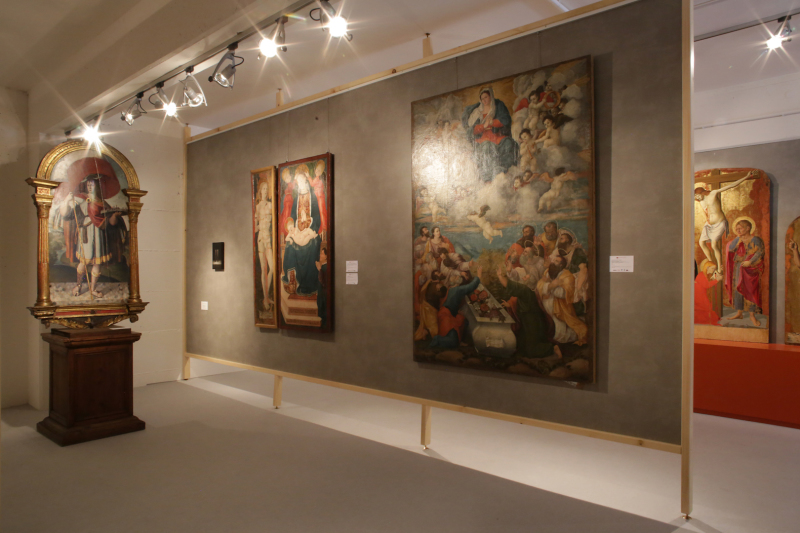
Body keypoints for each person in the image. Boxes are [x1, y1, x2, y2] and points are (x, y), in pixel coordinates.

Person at [60, 176, 125, 298]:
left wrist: (115, 215)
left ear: (97, 187)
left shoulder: (103, 204)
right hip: (86, 236)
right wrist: (66, 201)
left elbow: (112, 223)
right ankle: (78, 286)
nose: (90, 187)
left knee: (97, 264)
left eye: (92, 184)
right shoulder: (82, 203)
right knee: (84, 262)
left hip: (99, 236)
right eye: (88, 184)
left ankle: (93, 289)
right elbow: (66, 215)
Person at [695, 170, 757, 274]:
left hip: (719, 222)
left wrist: (746, 177)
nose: (696, 198)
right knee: (701, 243)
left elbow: (731, 186)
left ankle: (719, 267)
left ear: (702, 192)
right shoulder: (701, 200)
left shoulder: (713, 193)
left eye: (697, 195)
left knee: (714, 245)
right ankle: (711, 263)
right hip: (709, 224)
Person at [495, 266, 558, 359]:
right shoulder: (527, 291)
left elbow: (511, 286)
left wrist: (500, 276)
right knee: (521, 348)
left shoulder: (526, 290)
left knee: (531, 350)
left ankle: (553, 348)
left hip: (533, 323)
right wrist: (510, 305)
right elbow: (518, 298)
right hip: (527, 322)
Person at [280, 168, 324, 296]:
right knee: (290, 245)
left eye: (303, 181)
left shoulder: (312, 197)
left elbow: (317, 217)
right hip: (298, 231)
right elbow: (292, 217)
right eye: (298, 182)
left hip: (310, 230)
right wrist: (292, 227)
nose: (301, 183)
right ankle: (293, 279)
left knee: (313, 244)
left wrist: (310, 228)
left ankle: (308, 284)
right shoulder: (296, 199)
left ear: (306, 181)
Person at [462, 86, 518, 182]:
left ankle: (505, 173)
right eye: (482, 98)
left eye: (486, 97)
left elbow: (505, 120)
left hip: (497, 136)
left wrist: (493, 122)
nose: (484, 100)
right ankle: (488, 177)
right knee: (487, 146)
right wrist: (483, 126)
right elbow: (471, 130)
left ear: (490, 96)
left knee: (509, 143)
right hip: (483, 138)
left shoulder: (498, 106)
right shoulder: (477, 111)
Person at [536, 256, 588, 345]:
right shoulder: (548, 272)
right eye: (553, 260)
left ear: (561, 265)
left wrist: (550, 286)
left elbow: (563, 294)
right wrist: (551, 285)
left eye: (556, 261)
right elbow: (539, 286)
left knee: (560, 335)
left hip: (560, 309)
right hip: (545, 307)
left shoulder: (568, 276)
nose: (553, 262)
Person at [429, 266, 484, 349]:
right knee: (453, 342)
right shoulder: (457, 290)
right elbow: (471, 286)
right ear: (454, 282)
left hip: (450, 314)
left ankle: (461, 341)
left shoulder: (451, 289)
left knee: (464, 320)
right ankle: (437, 339)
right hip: (446, 316)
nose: (458, 276)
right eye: (456, 277)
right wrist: (478, 276)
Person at [724, 218, 765, 327]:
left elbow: (760, 252)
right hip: (738, 267)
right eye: (736, 229)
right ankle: (739, 313)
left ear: (748, 228)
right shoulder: (738, 239)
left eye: (740, 228)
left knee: (750, 290)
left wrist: (750, 261)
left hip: (750, 268)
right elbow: (731, 249)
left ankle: (752, 315)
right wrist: (738, 238)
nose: (738, 230)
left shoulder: (755, 239)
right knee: (737, 289)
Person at [254, 179, 274, 313]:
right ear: (260, 191)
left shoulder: (271, 205)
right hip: (261, 238)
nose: (265, 191)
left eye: (267, 189)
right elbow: (255, 226)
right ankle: (266, 298)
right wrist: (258, 225)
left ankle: (266, 297)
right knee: (263, 269)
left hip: (268, 238)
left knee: (272, 268)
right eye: (264, 189)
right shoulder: (258, 207)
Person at [695, 259, 721, 325]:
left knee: (706, 307)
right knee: (705, 307)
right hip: (699, 294)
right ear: (707, 267)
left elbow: (706, 283)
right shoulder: (701, 275)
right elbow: (706, 285)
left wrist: (715, 278)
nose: (713, 270)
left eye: (714, 269)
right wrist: (717, 280)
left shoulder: (703, 274)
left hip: (701, 293)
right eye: (712, 268)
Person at [315, 247, 329, 329]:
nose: (320, 255)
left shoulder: (326, 267)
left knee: (324, 310)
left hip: (324, 294)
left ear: (326, 256)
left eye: (322, 253)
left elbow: (324, 282)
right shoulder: (323, 266)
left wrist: (319, 269)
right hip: (321, 293)